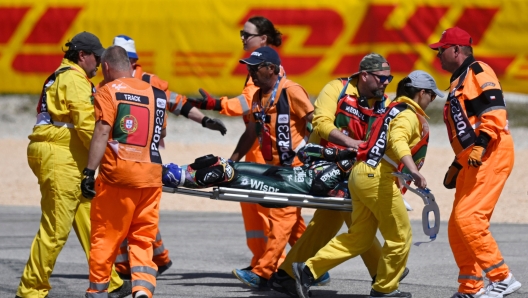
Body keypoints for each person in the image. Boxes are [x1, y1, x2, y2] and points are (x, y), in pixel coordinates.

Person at [292, 70, 443, 298]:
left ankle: (308, 270)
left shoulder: (390, 110)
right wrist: (412, 170)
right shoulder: (407, 115)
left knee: (360, 237)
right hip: (378, 179)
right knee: (400, 237)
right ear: (422, 93)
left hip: (361, 174)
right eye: (432, 96)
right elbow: (398, 140)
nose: (432, 101)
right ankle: (385, 289)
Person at [270, 53, 398, 297]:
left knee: (328, 223)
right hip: (322, 167)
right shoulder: (336, 89)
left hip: (353, 170)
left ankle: (286, 275)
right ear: (364, 75)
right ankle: (384, 274)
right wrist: (351, 143)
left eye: (389, 79)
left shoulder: (383, 102)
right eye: (381, 78)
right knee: (357, 218)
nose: (386, 83)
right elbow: (321, 124)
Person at [16, 32, 130, 298]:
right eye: (97, 57)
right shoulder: (74, 79)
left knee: (90, 222)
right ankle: (30, 291)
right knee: (56, 229)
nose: (100, 63)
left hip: (67, 156)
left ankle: (109, 281)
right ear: (83, 56)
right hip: (61, 157)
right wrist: (111, 158)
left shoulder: (65, 76)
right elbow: (87, 126)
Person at [105, 34, 225, 281]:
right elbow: (178, 103)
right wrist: (205, 121)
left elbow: (178, 103)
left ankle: (126, 268)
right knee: (139, 211)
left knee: (124, 212)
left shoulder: (119, 84)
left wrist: (205, 120)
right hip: (144, 155)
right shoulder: (133, 83)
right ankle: (158, 258)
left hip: (129, 158)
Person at [189, 17, 298, 278]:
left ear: (263, 39)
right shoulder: (256, 71)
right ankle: (296, 261)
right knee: (271, 214)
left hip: (267, 155)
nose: (243, 38)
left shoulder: (267, 73)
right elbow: (253, 124)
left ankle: (275, 266)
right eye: (242, 33)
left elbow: (247, 105)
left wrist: (214, 104)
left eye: (247, 34)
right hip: (258, 149)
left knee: (270, 213)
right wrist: (234, 159)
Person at [429, 27, 522, 298]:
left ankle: (503, 277)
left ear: (456, 51)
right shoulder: (458, 80)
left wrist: (481, 146)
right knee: (457, 225)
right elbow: (466, 127)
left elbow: (494, 112)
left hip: (492, 150)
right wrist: (458, 164)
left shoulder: (478, 71)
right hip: (472, 157)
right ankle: (471, 288)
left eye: (441, 50)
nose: (438, 56)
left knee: (469, 218)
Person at [82, 45, 167, 298]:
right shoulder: (157, 94)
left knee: (105, 237)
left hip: (117, 178)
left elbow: (102, 131)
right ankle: (142, 290)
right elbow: (160, 134)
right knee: (142, 238)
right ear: (130, 66)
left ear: (106, 67)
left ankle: (97, 291)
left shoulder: (107, 91)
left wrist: (89, 171)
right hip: (151, 177)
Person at [228, 46, 313, 289]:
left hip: (294, 168)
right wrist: (233, 160)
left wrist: (310, 153)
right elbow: (252, 132)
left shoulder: (290, 91)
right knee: (294, 225)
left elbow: (315, 122)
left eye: (256, 68)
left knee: (281, 217)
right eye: (249, 68)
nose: (251, 73)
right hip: (274, 167)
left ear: (272, 69)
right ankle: (313, 268)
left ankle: (263, 272)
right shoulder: (257, 97)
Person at [162, 143, 355, 199]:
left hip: (289, 187)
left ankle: (180, 178)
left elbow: (320, 185)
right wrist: (338, 154)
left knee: (227, 174)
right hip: (287, 173)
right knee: (223, 163)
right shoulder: (344, 160)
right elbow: (304, 153)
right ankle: (181, 170)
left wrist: (341, 166)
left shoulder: (352, 179)